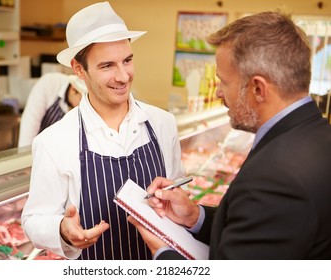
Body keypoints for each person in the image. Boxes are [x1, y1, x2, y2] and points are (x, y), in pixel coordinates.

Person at [130, 11, 331, 259]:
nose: (217, 94)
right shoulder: (318, 134)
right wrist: (195, 216)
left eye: (223, 82)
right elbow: (259, 233)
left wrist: (162, 251)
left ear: (258, 88)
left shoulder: (275, 177)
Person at [21, 1, 183, 260]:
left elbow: (176, 196)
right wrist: (62, 230)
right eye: (107, 66)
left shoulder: (163, 124)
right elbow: (33, 219)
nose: (123, 76)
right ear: (78, 69)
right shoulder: (54, 141)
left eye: (127, 60)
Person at [18, 72, 87, 147]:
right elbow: (30, 125)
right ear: (73, 90)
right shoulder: (50, 83)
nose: (83, 104)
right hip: (36, 149)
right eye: (82, 99)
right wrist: (25, 155)